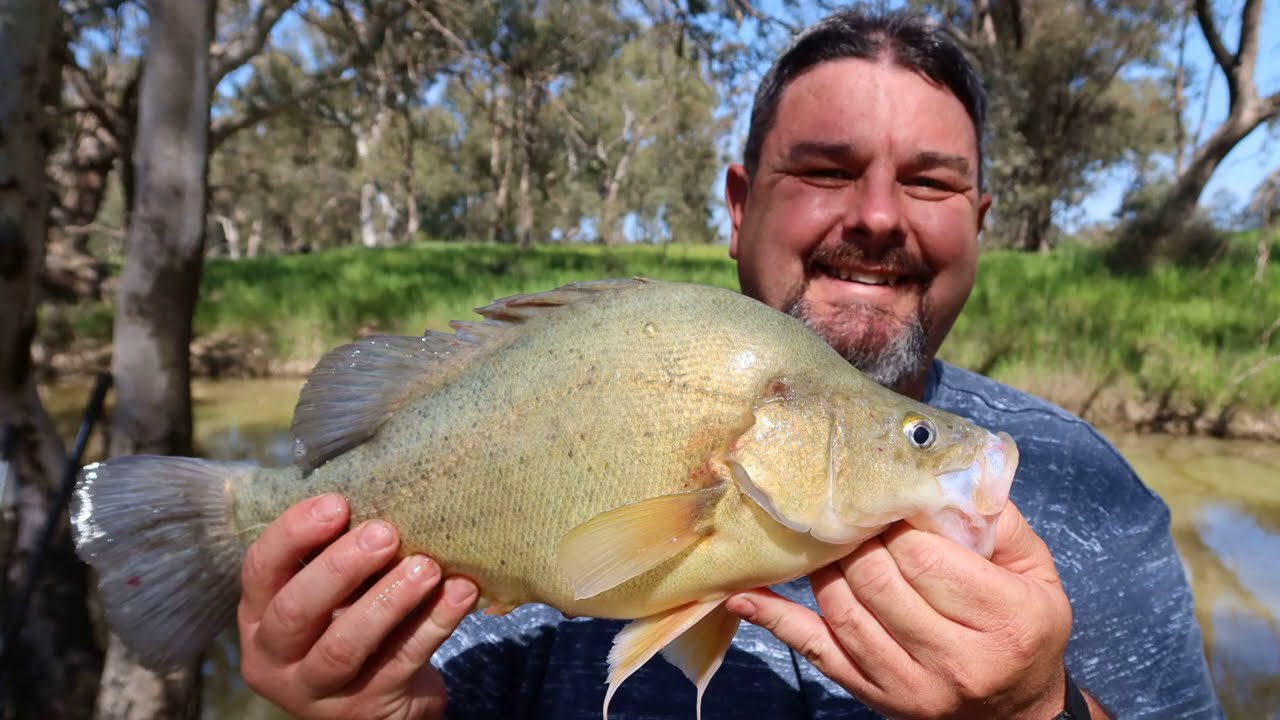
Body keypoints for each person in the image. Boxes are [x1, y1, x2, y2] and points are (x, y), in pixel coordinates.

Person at [235, 7, 1223, 719]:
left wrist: (1032, 714)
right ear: (740, 204)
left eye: (926, 183)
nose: (875, 216)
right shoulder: (476, 567)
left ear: (978, 225)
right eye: (826, 171)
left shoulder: (1108, 518)